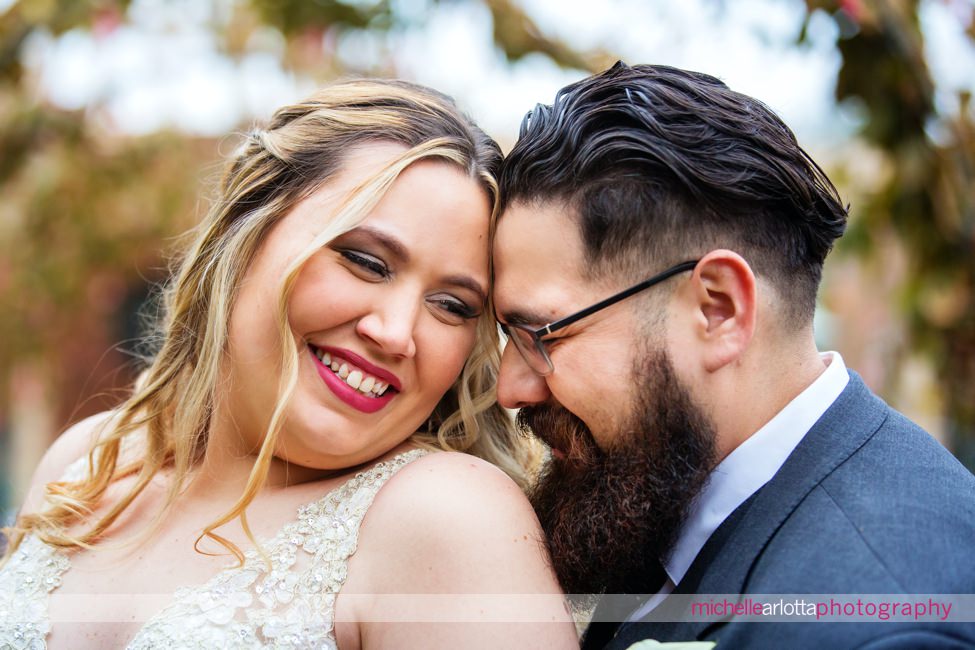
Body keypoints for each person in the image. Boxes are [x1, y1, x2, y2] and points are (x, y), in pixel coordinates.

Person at [0, 79, 579, 649]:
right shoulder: (87, 462)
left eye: (452, 305)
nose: (397, 333)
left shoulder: (446, 516)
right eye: (365, 261)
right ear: (245, 231)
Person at [492, 61, 975, 649]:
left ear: (717, 310)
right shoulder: (662, 490)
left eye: (541, 334)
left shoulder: (882, 629)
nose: (510, 388)